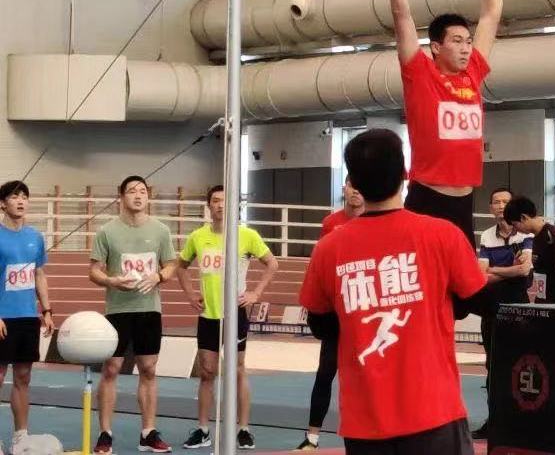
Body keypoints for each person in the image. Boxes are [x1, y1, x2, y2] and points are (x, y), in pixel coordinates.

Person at [299, 129, 515, 455]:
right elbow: (482, 302)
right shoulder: (442, 236)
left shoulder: (328, 249)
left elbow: (320, 325)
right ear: (405, 174)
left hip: (365, 422)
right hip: (434, 413)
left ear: (353, 181)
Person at [384, 0, 506, 247]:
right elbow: (401, 13)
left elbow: (491, 15)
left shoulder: (473, 72)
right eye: (457, 41)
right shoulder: (420, 73)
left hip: (464, 201)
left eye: (468, 41)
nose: (466, 48)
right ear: (436, 47)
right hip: (427, 198)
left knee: (461, 278)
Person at [178, 185, 278, 451]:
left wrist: (256, 293)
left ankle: (243, 429)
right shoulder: (198, 237)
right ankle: (203, 430)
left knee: (238, 370)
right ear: (209, 206)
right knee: (207, 372)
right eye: (215, 200)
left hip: (235, 315)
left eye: (225, 200)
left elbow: (272, 263)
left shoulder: (247, 235)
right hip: (208, 315)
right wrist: (190, 294)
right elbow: (181, 266)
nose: (220, 205)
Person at [88, 176, 178, 454]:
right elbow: (94, 271)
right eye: (132, 191)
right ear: (121, 196)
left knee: (149, 369)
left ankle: (148, 433)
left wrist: (159, 276)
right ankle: (105, 433)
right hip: (118, 310)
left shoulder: (161, 231)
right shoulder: (107, 231)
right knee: (111, 369)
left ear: (148, 196)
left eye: (142, 191)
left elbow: (171, 265)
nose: (138, 196)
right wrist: (111, 281)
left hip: (149, 310)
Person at [295, 177, 365, 451]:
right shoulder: (331, 223)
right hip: (336, 313)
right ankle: (312, 437)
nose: (355, 191)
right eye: (351, 185)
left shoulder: (373, 221)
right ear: (344, 188)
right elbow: (322, 263)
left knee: (363, 376)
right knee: (325, 372)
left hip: (363, 309)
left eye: (360, 186)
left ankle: (367, 435)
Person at [471, 187, 534, 440]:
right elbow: (481, 275)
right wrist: (510, 270)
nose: (500, 206)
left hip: (518, 308)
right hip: (491, 309)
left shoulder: (525, 234)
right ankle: (494, 421)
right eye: (496, 202)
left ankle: (519, 423)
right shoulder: (487, 236)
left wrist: (495, 270)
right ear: (490, 208)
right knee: (493, 366)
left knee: (520, 365)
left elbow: (524, 271)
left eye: (505, 201)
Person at [0, 181, 54, 450]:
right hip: (2, 318)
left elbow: (38, 274)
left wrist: (46, 310)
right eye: (14, 197)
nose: (20, 201)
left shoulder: (35, 237)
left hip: (27, 317)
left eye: (24, 196)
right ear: (2, 204)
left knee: (23, 377)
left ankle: (21, 436)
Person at [503, 196, 555, 305]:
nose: (515, 230)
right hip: (542, 301)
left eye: (515, 225)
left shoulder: (553, 235)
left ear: (523, 217)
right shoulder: (536, 237)